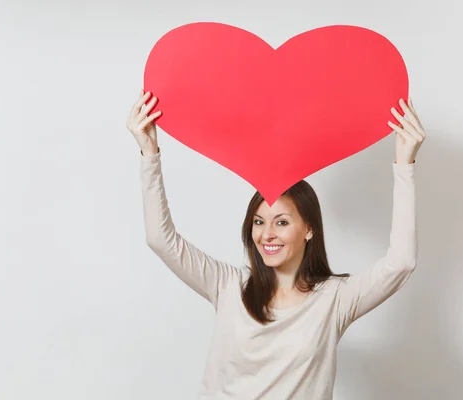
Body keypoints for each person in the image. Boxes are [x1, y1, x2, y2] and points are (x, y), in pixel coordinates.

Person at [126, 89, 426, 399]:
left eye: (281, 222)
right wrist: (150, 154)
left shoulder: (335, 299)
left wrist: (405, 164)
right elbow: (160, 239)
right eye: (259, 221)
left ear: (308, 229)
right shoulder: (228, 286)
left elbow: (401, 262)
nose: (267, 233)